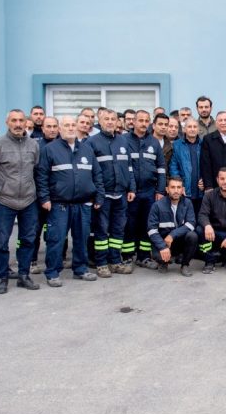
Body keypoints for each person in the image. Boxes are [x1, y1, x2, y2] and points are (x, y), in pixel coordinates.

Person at [35, 116, 105, 286]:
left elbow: (97, 174)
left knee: (81, 238)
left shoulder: (87, 149)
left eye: (73, 125)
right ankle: (52, 272)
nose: (71, 128)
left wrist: (99, 196)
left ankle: (80, 269)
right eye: (67, 125)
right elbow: (41, 176)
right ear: (60, 129)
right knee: (56, 239)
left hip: (83, 204)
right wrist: (44, 198)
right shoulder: (50, 149)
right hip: (59, 204)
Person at [0, 109, 41, 293]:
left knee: (28, 240)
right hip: (4, 201)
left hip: (29, 200)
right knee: (1, 241)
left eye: (21, 120)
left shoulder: (34, 145)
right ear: (7, 123)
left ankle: (24, 276)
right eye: (14, 120)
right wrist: (3, 190)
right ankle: (2, 278)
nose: (18, 124)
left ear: (26, 123)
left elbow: (37, 170)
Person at [87, 108, 135, 277]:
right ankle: (101, 263)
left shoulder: (123, 141)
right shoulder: (92, 142)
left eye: (113, 119)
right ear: (99, 121)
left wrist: (132, 188)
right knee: (101, 230)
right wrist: (96, 194)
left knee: (118, 230)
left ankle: (115, 261)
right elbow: (91, 172)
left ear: (117, 122)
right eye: (106, 119)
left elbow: (129, 167)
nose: (109, 122)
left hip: (121, 194)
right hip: (103, 195)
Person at [123, 110, 166, 266]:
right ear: (133, 122)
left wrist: (160, 190)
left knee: (147, 224)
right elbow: (124, 167)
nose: (143, 124)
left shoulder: (154, 142)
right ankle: (127, 255)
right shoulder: (124, 140)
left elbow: (161, 167)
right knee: (129, 224)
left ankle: (144, 256)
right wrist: (130, 188)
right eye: (140, 120)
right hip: (131, 192)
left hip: (149, 191)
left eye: (146, 121)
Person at [147, 176, 197, 276]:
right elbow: (151, 230)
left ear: (182, 189)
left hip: (179, 241)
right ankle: (163, 262)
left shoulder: (187, 203)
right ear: (167, 189)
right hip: (163, 242)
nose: (176, 191)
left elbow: (191, 224)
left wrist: (172, 235)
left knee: (192, 236)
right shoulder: (157, 206)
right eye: (173, 187)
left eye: (179, 187)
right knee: (159, 256)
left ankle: (185, 265)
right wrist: (162, 246)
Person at [30, 116, 60, 273]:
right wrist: (43, 196)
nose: (52, 129)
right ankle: (32, 261)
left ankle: (56, 260)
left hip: (58, 196)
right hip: (39, 197)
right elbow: (37, 174)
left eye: (55, 126)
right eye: (49, 126)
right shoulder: (36, 147)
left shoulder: (62, 145)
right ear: (42, 128)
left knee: (55, 232)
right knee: (35, 230)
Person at [170, 117, 204, 218]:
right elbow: (174, 166)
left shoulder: (204, 144)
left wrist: (205, 180)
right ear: (184, 129)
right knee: (185, 218)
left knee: (200, 218)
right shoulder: (177, 145)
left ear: (198, 129)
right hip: (184, 190)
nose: (192, 129)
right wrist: (179, 185)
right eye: (189, 127)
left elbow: (209, 165)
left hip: (201, 191)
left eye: (195, 127)